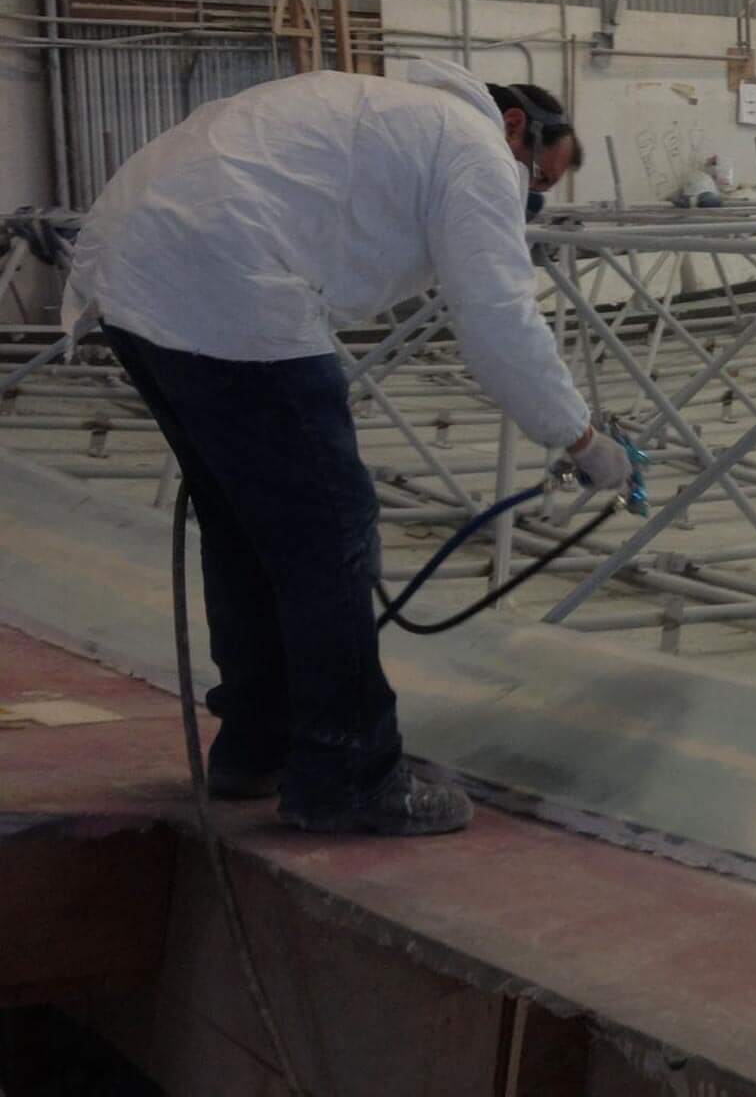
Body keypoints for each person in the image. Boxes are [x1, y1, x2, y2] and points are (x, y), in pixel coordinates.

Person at [61, 61, 634, 837]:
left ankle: (257, 743)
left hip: (135, 268)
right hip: (224, 276)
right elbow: (498, 316)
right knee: (331, 528)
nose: (528, 198)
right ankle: (347, 773)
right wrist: (581, 437)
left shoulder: (390, 111)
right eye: (537, 179)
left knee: (247, 527)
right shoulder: (471, 146)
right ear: (515, 127)